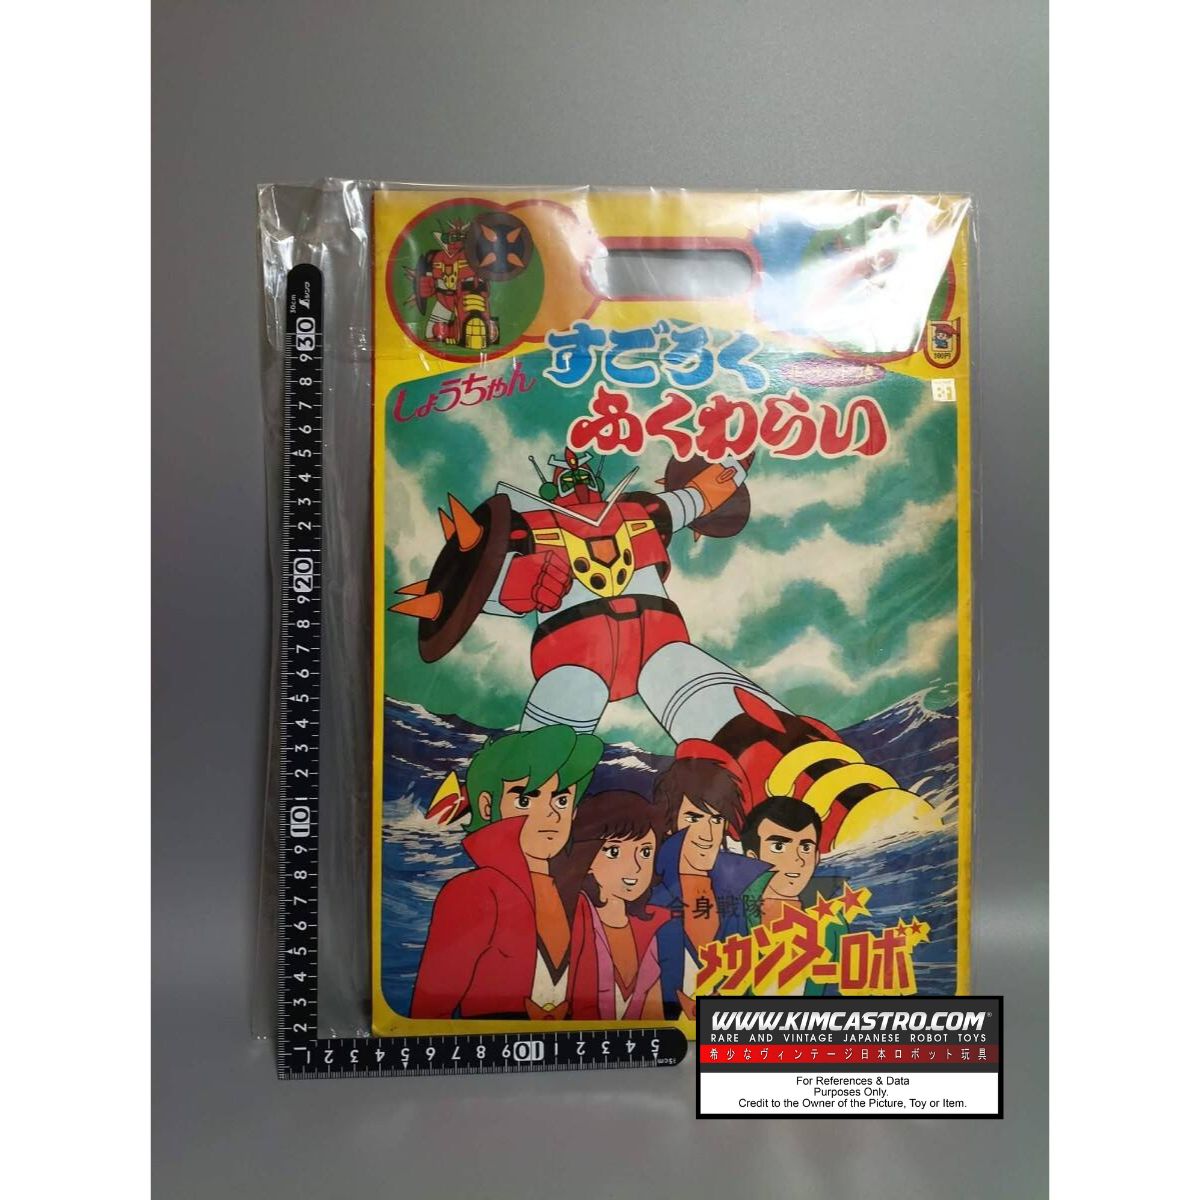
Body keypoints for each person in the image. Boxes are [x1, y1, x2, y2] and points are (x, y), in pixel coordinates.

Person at [410, 725, 603, 1019]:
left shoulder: (579, 903)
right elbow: (430, 1010)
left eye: (562, 800)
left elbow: (589, 1009)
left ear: (574, 812)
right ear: (487, 807)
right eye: (525, 800)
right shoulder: (473, 892)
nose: (550, 813)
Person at [648, 756, 768, 1019]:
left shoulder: (737, 895)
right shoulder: (650, 900)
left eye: (716, 820)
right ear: (669, 823)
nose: (707, 833)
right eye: (694, 817)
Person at [554, 790, 672, 1021]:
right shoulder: (574, 920)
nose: (635, 867)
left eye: (645, 852)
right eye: (614, 851)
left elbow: (655, 1012)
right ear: (587, 856)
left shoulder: (650, 929)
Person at [740, 796, 849, 995]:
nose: (797, 859)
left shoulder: (833, 924)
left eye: (805, 847)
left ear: (816, 857)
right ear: (752, 859)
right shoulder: (731, 918)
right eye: (779, 847)